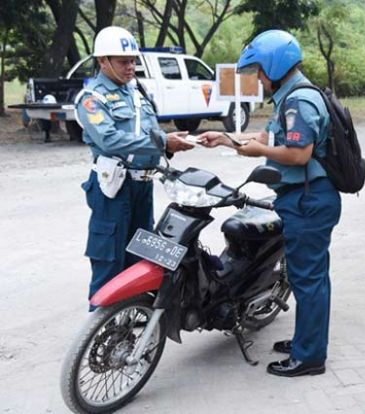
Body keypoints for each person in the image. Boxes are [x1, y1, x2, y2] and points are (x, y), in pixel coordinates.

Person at [197, 30, 340, 377]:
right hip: (304, 198)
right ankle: (309, 341)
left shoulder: (300, 101)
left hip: (308, 200)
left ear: (276, 64)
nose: (258, 78)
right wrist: (226, 139)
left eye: (260, 70)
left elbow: (298, 153)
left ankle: (310, 358)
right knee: (311, 276)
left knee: (309, 279)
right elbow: (267, 137)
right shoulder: (291, 95)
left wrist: (258, 152)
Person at [75, 26, 194, 305]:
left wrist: (170, 145)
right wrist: (164, 142)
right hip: (114, 188)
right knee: (109, 256)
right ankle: (99, 331)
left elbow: (150, 132)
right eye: (123, 61)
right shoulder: (92, 99)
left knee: (140, 256)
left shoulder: (136, 93)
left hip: (143, 185)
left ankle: (131, 320)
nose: (130, 67)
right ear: (103, 61)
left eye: (133, 61)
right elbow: (110, 139)